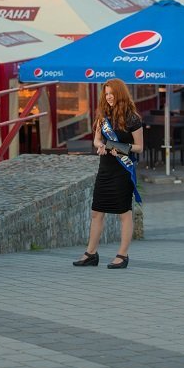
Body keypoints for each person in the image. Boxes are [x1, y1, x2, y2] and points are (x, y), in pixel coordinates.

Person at [74, 78, 143, 269]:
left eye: (112, 93)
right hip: (105, 169)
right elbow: (96, 140)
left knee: (124, 213)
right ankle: (91, 254)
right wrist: (102, 146)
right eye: (106, 94)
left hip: (123, 170)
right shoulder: (103, 116)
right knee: (96, 211)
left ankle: (122, 255)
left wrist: (120, 148)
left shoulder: (133, 118)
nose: (109, 97)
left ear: (120, 94)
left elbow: (139, 147)